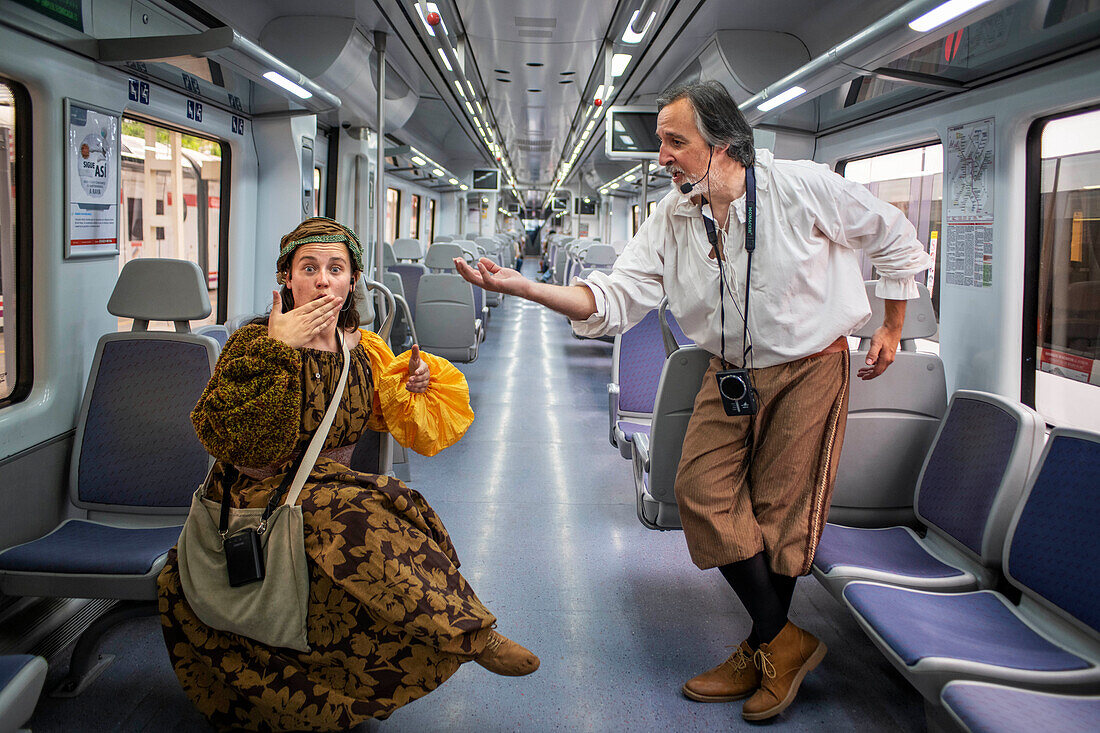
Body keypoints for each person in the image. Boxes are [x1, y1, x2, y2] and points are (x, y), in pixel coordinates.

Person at [454, 81, 933, 721]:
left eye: (675, 142)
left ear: (724, 143)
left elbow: (895, 235)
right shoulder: (672, 215)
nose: (661, 157)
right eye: (661, 142)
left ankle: (762, 648)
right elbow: (617, 295)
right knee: (699, 492)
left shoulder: (805, 186)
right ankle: (782, 641)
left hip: (810, 367)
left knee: (779, 511)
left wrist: (893, 324)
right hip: (726, 369)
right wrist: (529, 290)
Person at [158, 217, 538, 732]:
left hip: (328, 488)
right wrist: (279, 351)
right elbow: (236, 443)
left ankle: (436, 641)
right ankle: (473, 634)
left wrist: (415, 385)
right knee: (356, 519)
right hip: (256, 493)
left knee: (404, 508)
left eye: (335, 269)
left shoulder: (364, 354)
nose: (321, 280)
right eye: (308, 268)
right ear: (286, 280)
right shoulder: (253, 343)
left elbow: (400, 426)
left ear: (351, 281)